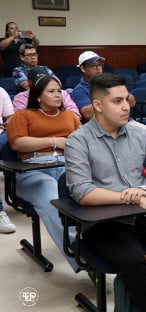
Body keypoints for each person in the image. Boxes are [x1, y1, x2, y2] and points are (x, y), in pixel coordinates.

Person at [65, 73, 146, 312]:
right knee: (136, 263)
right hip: (105, 225)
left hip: (145, 215)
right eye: (117, 101)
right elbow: (82, 192)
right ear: (98, 105)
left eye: (126, 100)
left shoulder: (139, 134)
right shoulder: (78, 141)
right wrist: (128, 195)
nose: (126, 107)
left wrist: (145, 190)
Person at [6, 75, 81, 270]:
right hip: (32, 169)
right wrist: (56, 141)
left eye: (59, 90)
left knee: (88, 195)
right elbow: (18, 142)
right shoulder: (23, 115)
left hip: (67, 165)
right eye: (51, 91)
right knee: (54, 201)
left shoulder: (70, 116)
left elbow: (81, 144)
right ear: (38, 96)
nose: (58, 95)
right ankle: (81, 256)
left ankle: (97, 245)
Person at [71, 51, 146, 140]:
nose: (98, 69)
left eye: (100, 65)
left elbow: (132, 102)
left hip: (127, 123)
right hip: (104, 128)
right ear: (83, 68)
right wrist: (107, 96)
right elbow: (88, 114)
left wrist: (121, 94)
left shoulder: (109, 82)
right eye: (93, 65)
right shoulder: (79, 90)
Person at [13, 67, 81, 118]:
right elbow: (21, 119)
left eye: (45, 80)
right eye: (38, 82)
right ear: (29, 83)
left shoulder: (62, 93)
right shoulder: (20, 98)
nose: (42, 84)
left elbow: (75, 114)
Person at [0, 86, 15, 233]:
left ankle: (16, 193)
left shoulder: (1, 91)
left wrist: (6, 125)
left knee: (12, 141)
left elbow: (10, 118)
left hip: (0, 135)